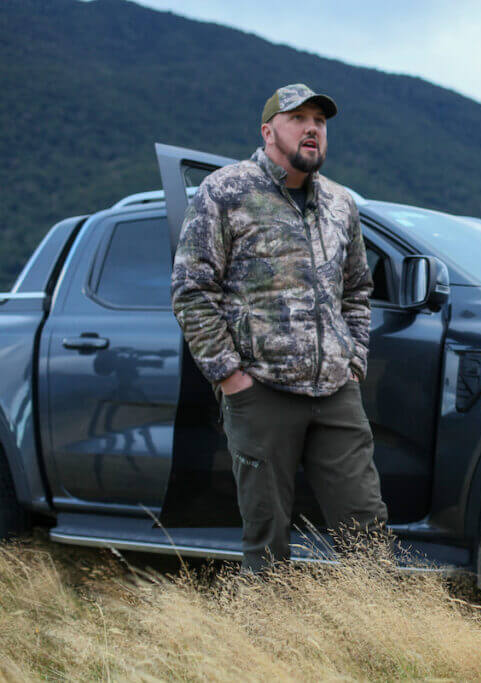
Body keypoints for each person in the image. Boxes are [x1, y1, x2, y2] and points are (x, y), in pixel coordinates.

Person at [171, 83, 387, 572]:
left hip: (335, 391)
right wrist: (230, 376)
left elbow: (356, 289)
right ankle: (268, 644)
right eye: (299, 119)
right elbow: (191, 289)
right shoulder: (226, 191)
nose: (312, 129)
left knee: (366, 525)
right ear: (269, 132)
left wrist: (354, 360)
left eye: (320, 121)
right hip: (260, 389)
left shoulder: (340, 204)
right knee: (267, 535)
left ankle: (379, 642)